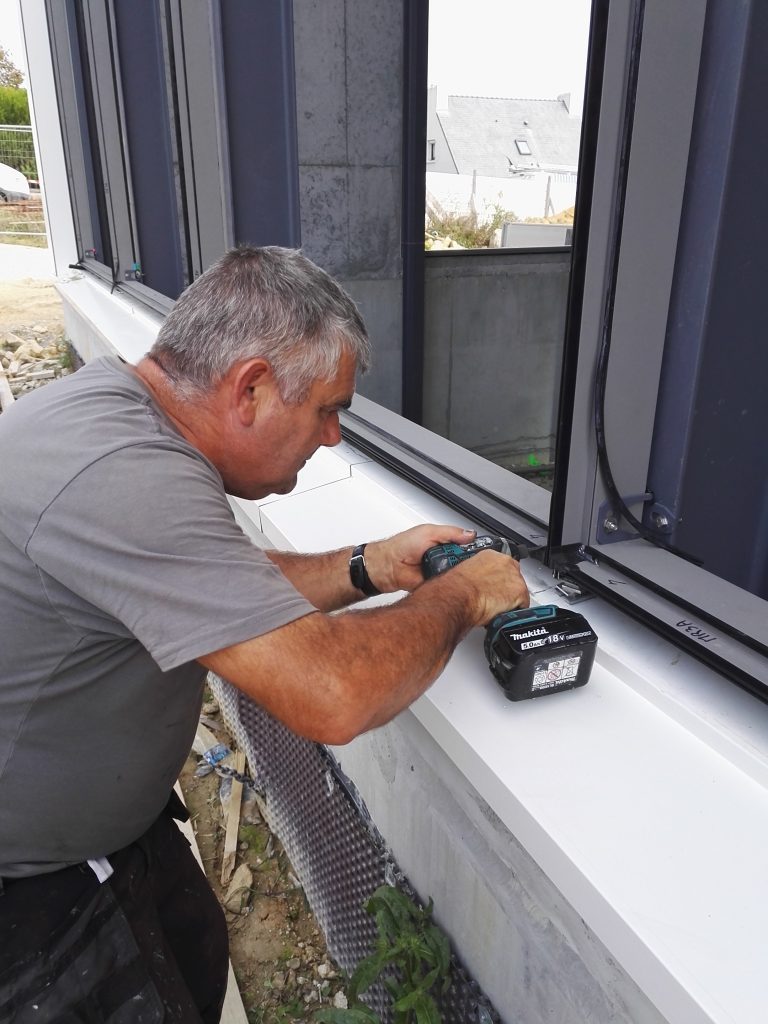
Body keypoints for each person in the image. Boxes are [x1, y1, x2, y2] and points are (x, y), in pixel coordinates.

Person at [0, 245, 528, 1021]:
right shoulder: (125, 477)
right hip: (34, 898)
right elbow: (335, 697)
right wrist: (461, 595)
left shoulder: (110, 410)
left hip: (108, 839)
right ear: (249, 388)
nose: (334, 437)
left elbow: (212, 588)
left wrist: (370, 566)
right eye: (326, 408)